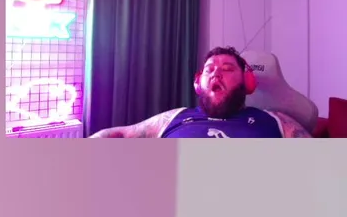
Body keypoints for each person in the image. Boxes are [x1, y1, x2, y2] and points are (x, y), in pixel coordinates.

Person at [89, 47, 310, 138]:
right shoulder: (173, 117)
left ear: (246, 82)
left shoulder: (276, 121)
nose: (216, 74)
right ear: (198, 83)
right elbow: (119, 135)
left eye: (227, 69)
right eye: (209, 69)